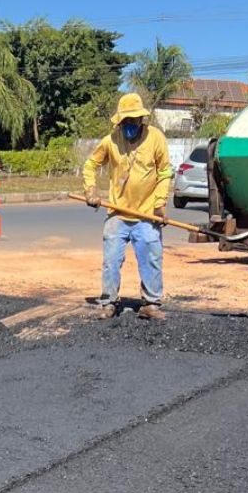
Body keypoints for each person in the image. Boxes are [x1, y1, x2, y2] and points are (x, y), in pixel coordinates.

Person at [82, 92, 173, 321]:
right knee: (111, 261)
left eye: (133, 120)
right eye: (125, 121)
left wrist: (160, 203)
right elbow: (91, 165)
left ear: (141, 119)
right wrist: (91, 190)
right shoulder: (111, 141)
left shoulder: (155, 138)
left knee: (151, 259)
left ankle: (150, 304)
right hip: (117, 213)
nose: (129, 125)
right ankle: (109, 302)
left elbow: (164, 172)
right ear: (120, 121)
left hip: (147, 213)